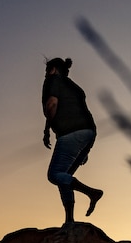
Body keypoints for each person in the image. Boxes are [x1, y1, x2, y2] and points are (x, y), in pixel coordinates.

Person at [42, 57, 103, 225]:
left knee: (54, 175)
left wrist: (49, 129)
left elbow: (51, 105)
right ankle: (69, 222)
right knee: (65, 177)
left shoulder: (52, 80)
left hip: (71, 134)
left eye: (47, 70)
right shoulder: (74, 87)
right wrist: (85, 149)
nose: (45, 74)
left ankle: (92, 193)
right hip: (88, 133)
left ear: (53, 69)